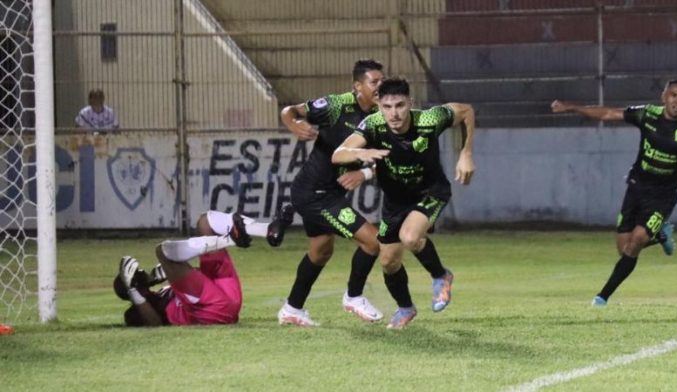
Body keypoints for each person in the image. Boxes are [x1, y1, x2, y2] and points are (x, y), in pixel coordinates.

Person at [332, 77, 476, 329]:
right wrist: (360, 153)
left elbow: (466, 111)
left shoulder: (429, 120)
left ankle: (441, 275)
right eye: (387, 107)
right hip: (395, 200)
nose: (394, 113)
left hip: (430, 192)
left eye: (400, 105)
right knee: (388, 262)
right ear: (378, 105)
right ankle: (406, 307)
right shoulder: (373, 125)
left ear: (410, 102)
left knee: (410, 237)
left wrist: (466, 153)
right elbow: (338, 154)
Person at [551, 79, 677, 306]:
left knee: (636, 241)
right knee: (624, 248)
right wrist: (572, 107)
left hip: (663, 196)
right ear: (664, 97)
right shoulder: (647, 115)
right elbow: (608, 114)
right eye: (673, 95)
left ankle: (602, 297)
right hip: (637, 188)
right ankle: (661, 235)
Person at [276, 59, 386, 327]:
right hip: (313, 193)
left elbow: (389, 160)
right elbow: (290, 110)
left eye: (382, 81)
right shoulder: (336, 106)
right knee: (373, 241)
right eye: (374, 82)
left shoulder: (380, 118)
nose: (380, 86)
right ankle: (354, 296)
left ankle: (292, 308)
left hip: (329, 194)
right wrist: (293, 124)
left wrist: (365, 174)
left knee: (320, 251)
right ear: (357, 86)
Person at [114, 210, 293, 326]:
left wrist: (167, 274)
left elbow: (198, 282)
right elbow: (154, 324)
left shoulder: (161, 290)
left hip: (223, 296)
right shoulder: (135, 313)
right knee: (162, 250)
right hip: (211, 312)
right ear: (134, 285)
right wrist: (133, 292)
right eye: (138, 274)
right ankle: (230, 239)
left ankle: (267, 229)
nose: (142, 271)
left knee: (204, 223)